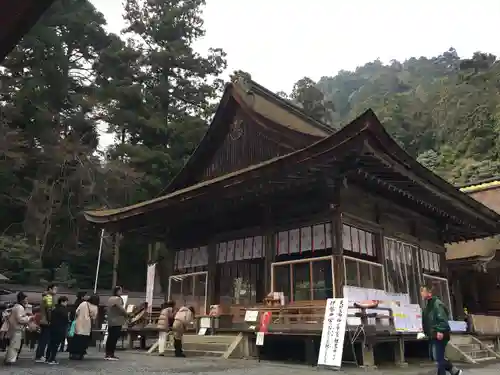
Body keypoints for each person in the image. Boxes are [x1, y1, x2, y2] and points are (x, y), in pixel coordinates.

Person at [421, 284, 463, 375]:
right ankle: (454, 371)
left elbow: (443, 320)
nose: (421, 293)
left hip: (439, 334)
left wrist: (440, 330)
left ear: (429, 293)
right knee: (436, 357)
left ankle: (449, 371)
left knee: (439, 358)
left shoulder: (437, 304)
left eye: (423, 291)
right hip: (433, 334)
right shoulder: (428, 306)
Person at [4, 292, 32, 365]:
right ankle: (10, 360)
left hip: (14, 328)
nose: (27, 300)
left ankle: (9, 359)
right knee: (14, 345)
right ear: (22, 300)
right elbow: (20, 319)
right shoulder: (20, 307)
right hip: (17, 328)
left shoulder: (16, 306)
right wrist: (28, 318)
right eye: (26, 299)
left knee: (13, 345)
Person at [69, 294, 99, 360]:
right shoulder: (95, 307)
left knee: (76, 339)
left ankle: (73, 353)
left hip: (78, 322)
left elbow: (76, 312)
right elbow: (94, 317)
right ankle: (80, 354)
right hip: (87, 325)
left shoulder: (83, 303)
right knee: (83, 340)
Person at [35, 284, 57, 362]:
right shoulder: (49, 297)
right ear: (50, 289)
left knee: (42, 339)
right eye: (54, 289)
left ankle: (38, 355)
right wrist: (50, 320)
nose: (56, 291)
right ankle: (40, 355)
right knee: (44, 339)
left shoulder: (45, 296)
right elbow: (49, 310)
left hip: (42, 320)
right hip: (46, 321)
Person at [105, 286, 128, 361]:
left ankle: (107, 353)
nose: (121, 292)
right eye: (120, 291)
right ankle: (111, 354)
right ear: (117, 291)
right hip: (117, 321)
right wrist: (127, 314)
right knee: (114, 338)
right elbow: (121, 309)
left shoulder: (110, 299)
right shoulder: (117, 299)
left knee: (110, 337)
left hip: (110, 321)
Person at [45, 296, 69, 364]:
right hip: (60, 328)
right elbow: (66, 319)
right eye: (66, 302)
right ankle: (52, 359)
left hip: (52, 328)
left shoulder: (54, 308)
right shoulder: (63, 310)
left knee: (51, 343)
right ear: (62, 302)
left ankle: (47, 357)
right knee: (56, 344)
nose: (66, 303)